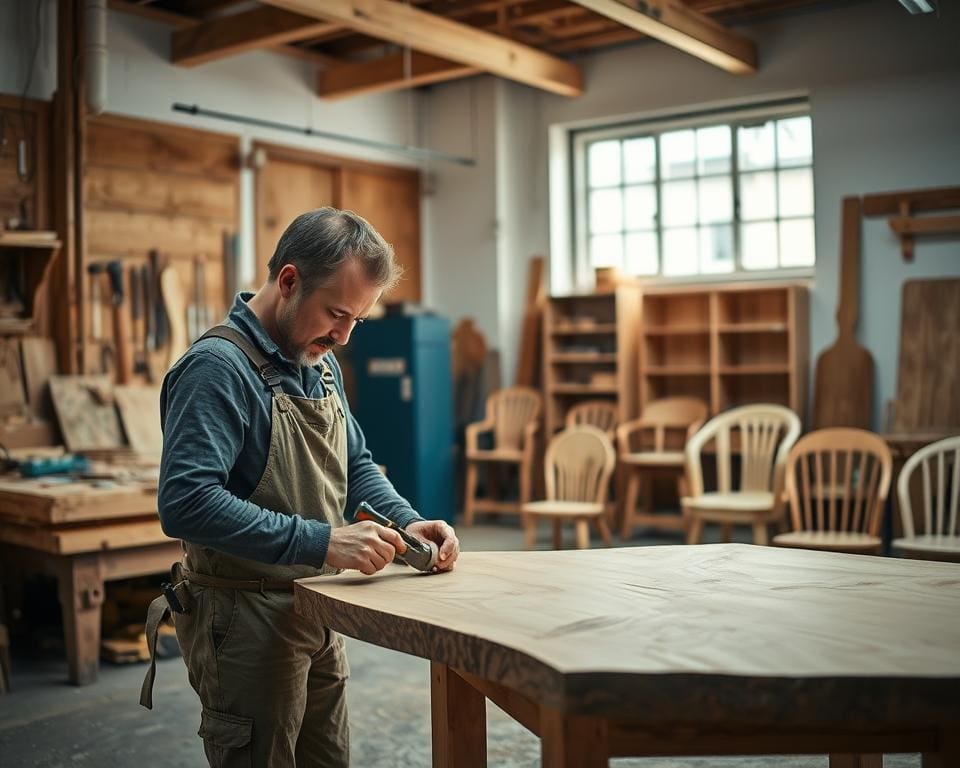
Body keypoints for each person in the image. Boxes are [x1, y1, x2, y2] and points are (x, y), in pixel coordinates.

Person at [140, 207, 459, 767]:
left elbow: (355, 464)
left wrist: (408, 523)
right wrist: (324, 542)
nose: (343, 336)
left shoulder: (318, 363)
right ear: (289, 281)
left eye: (357, 320)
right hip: (244, 619)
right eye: (336, 314)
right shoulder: (218, 369)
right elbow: (185, 503)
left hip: (317, 608)